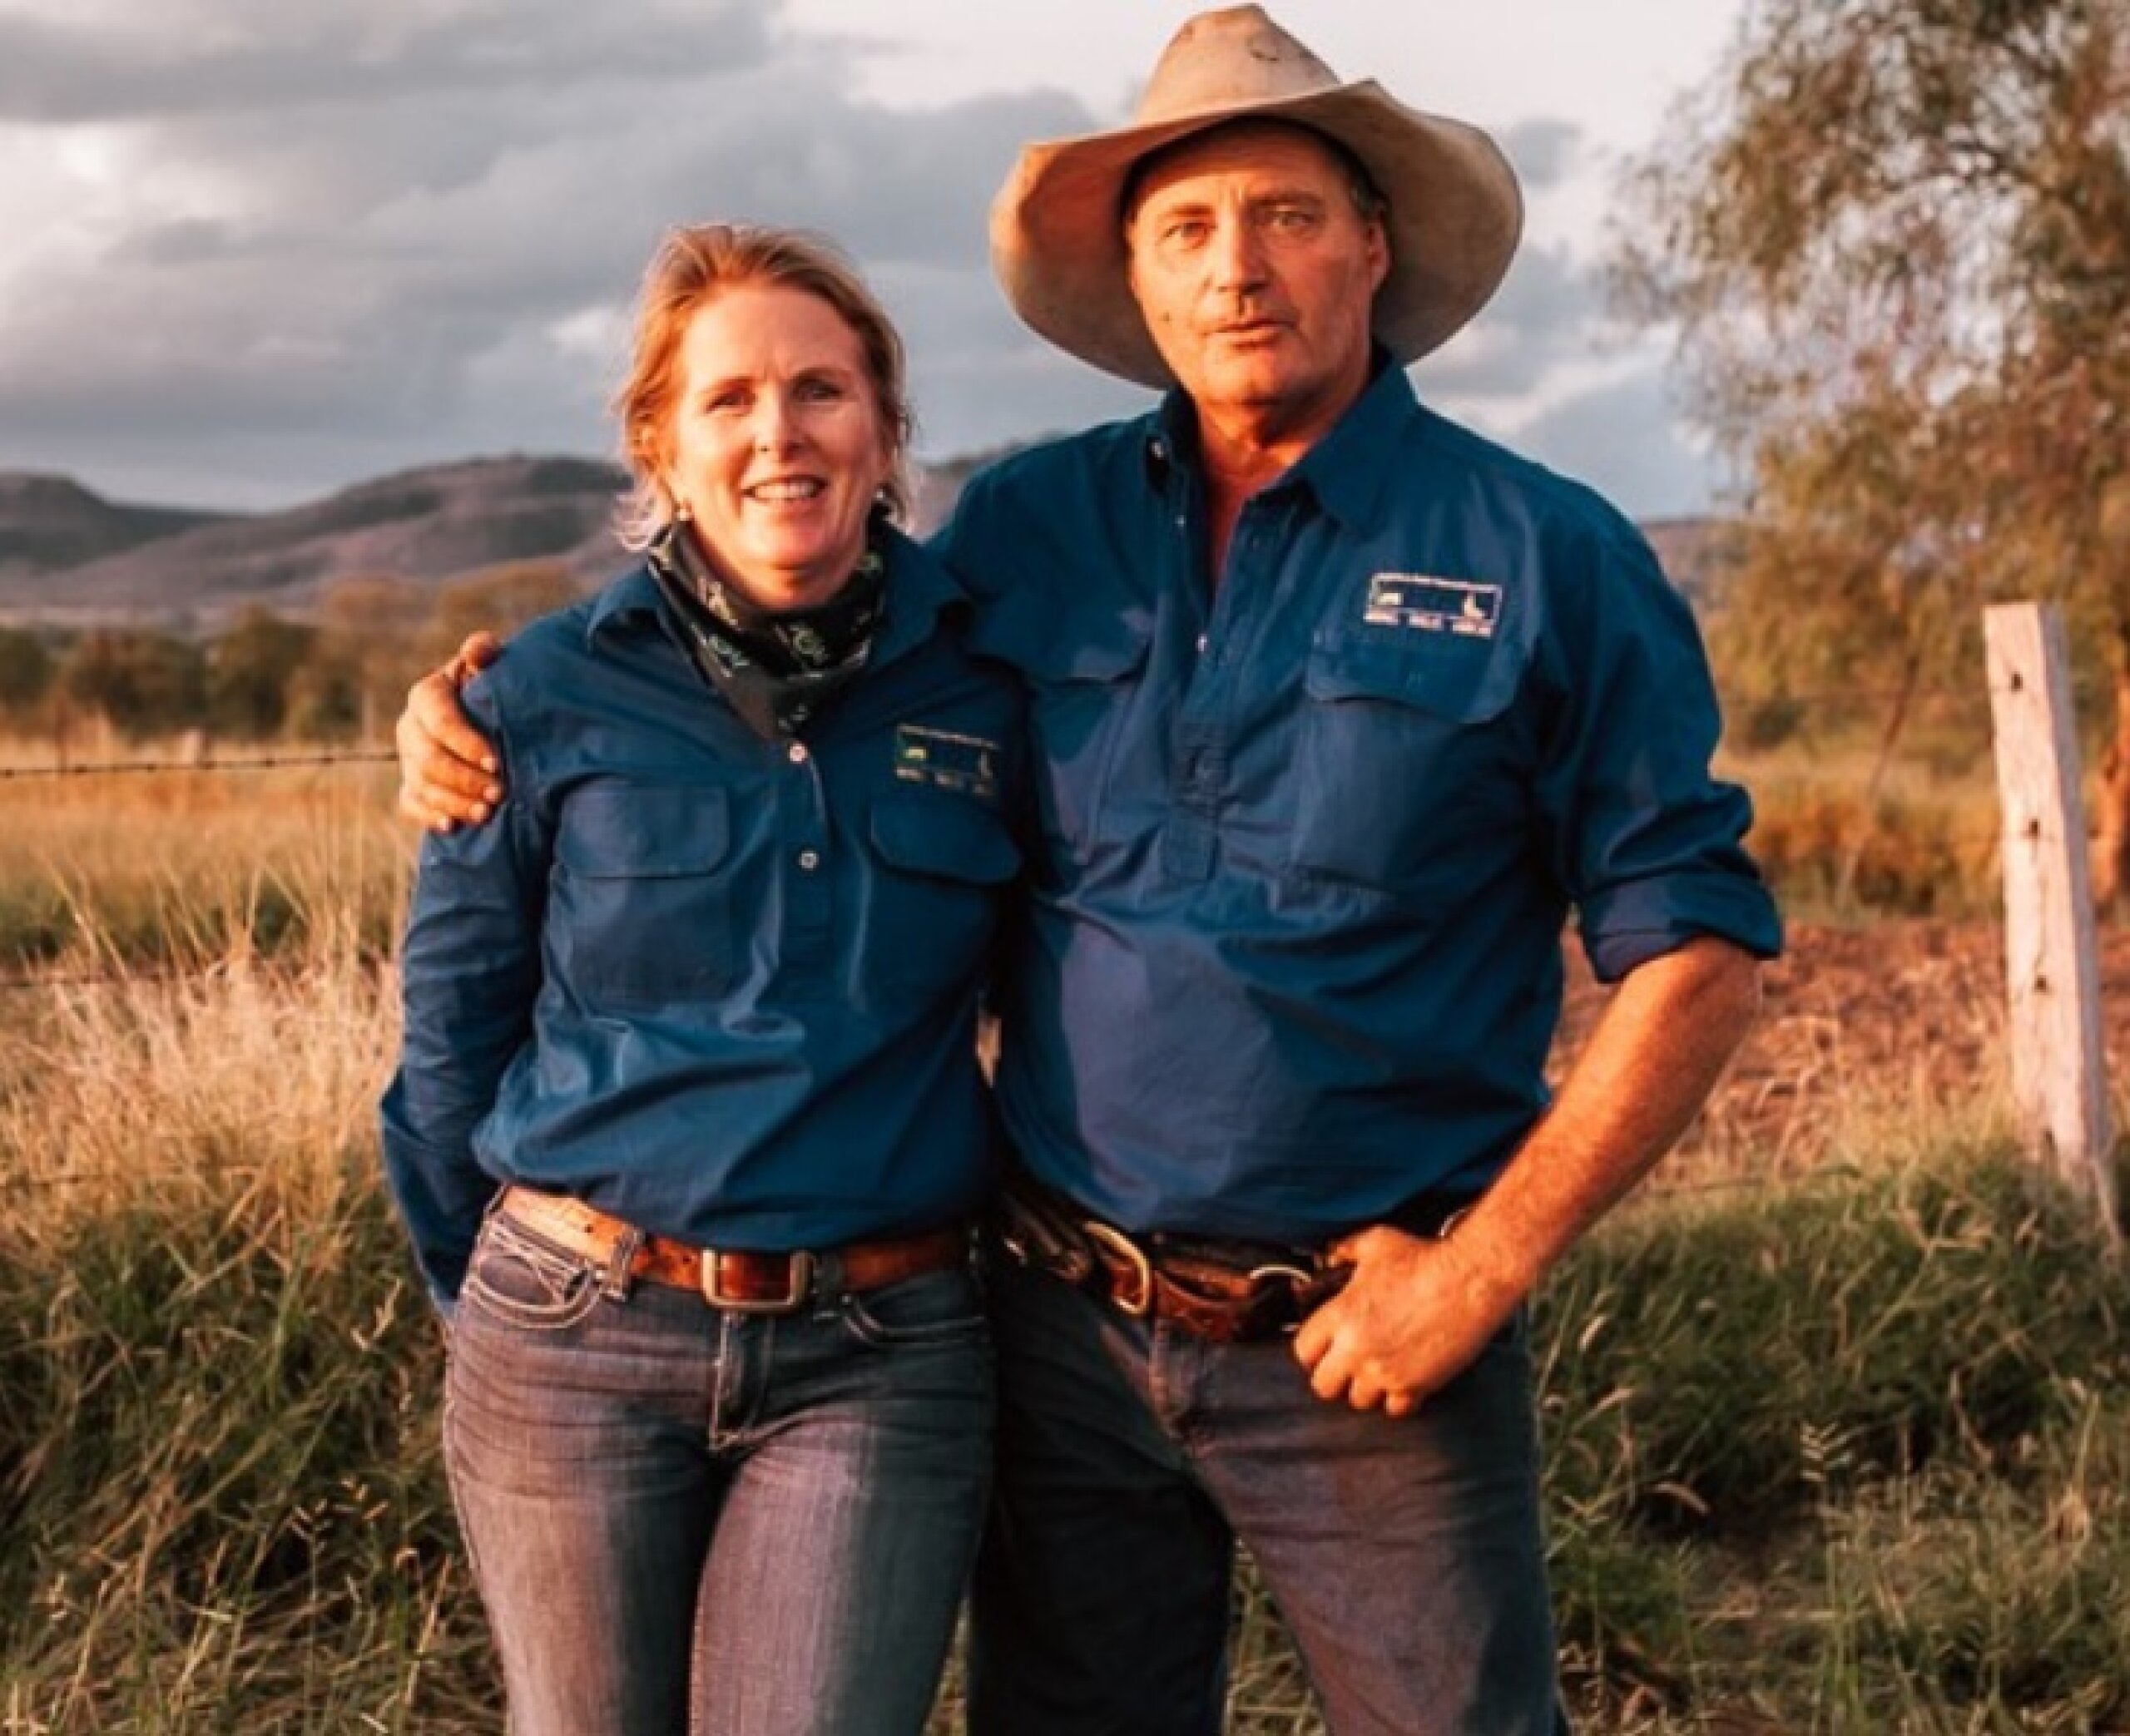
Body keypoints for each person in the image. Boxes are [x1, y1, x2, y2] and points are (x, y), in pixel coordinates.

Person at [396, 9, 1783, 1733]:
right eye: (1185, 229)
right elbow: (776, 661)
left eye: (1284, 214)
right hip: (1051, 1326)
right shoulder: (1029, 534)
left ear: (1371, 242)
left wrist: (1477, 1275)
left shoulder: (1543, 557)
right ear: (1133, 275)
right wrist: (482, 709)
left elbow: (1696, 951)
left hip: (1367, 1334)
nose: (1237, 269)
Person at [379, 222, 1026, 1736]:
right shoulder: (528, 697)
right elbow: (448, 1047)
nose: (777, 434)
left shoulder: (993, 686)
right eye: (728, 398)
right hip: (575, 1335)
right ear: (659, 446)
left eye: (820, 391)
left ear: (884, 434)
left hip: (882, 1350)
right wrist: (496, 1302)